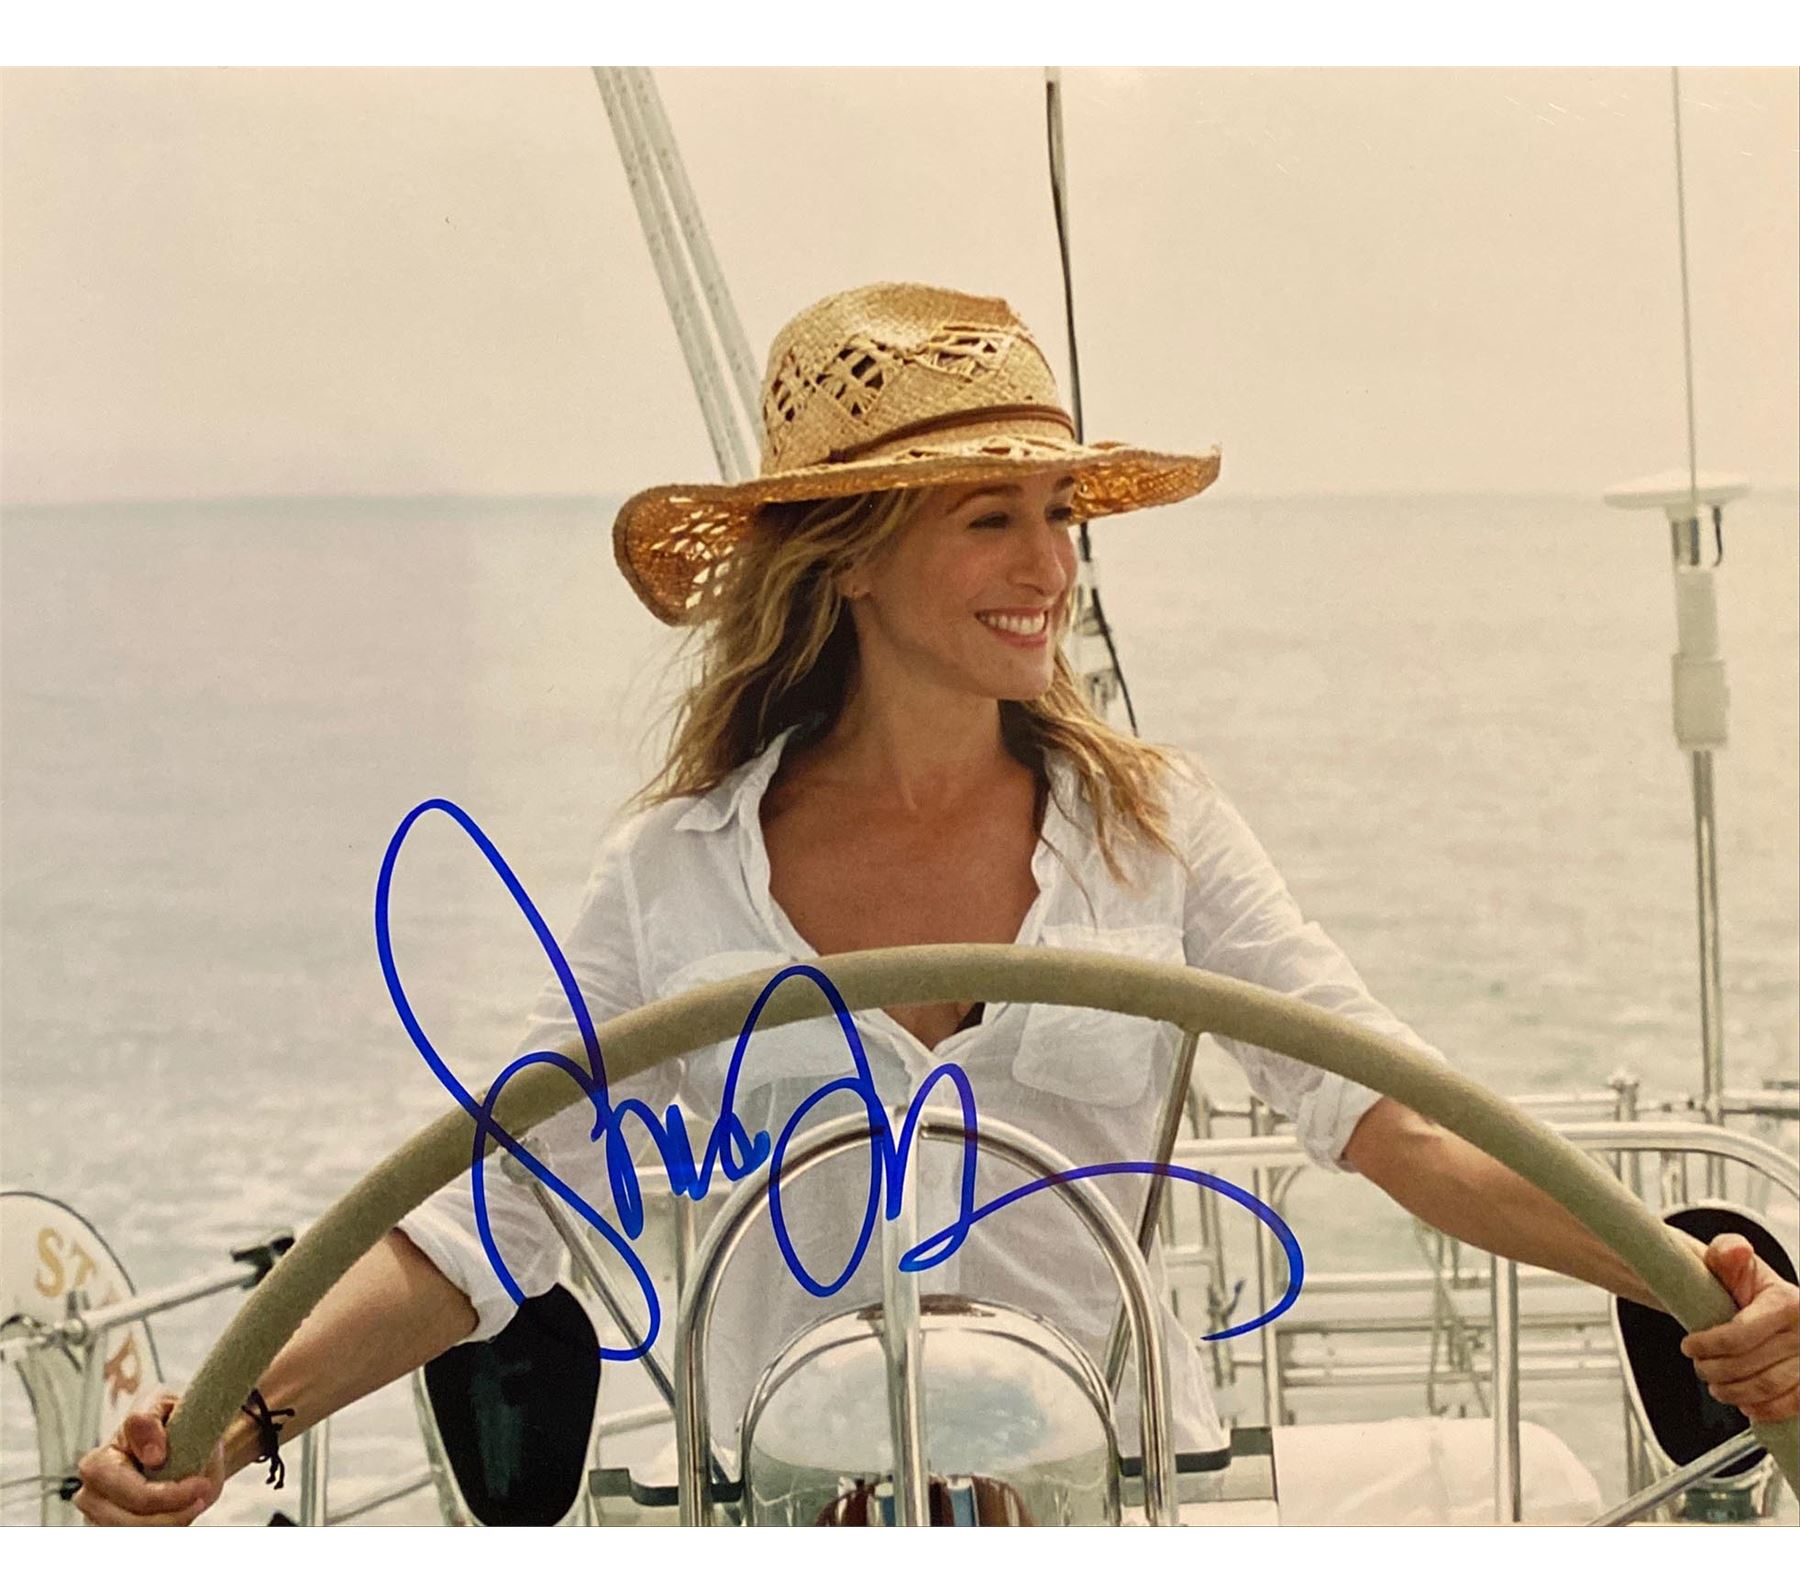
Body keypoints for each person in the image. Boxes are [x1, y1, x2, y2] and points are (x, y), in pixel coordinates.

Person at [76, 282, 1798, 1525]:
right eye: (993, 518)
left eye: (1060, 514)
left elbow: (1390, 1118)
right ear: (848, 555)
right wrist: (235, 1421)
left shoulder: (1155, 831)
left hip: (1125, 1486)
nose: (1053, 565)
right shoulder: (675, 874)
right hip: (791, 1502)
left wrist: (1695, 1283)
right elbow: (489, 1218)